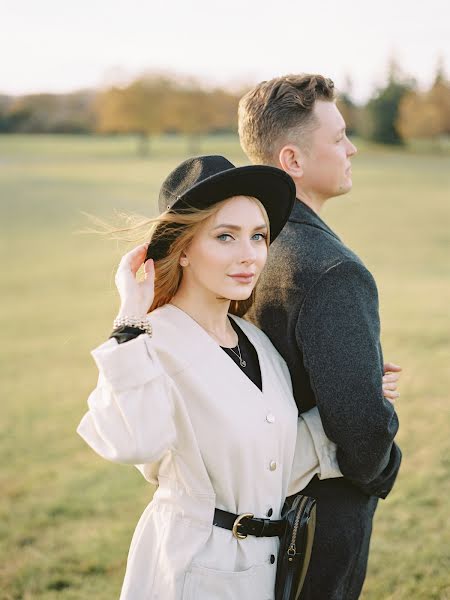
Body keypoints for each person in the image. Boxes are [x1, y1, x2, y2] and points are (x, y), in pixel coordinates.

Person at [77, 155, 347, 600]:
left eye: (258, 237)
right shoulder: (150, 339)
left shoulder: (255, 342)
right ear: (182, 249)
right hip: (192, 573)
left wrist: (353, 398)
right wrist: (129, 319)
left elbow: (269, 462)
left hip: (263, 570)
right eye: (225, 236)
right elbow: (134, 442)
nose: (249, 255)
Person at [238, 74, 403, 599]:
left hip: (256, 506)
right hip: (317, 520)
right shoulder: (332, 269)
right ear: (292, 160)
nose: (352, 148)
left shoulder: (248, 249)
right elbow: (361, 429)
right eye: (338, 138)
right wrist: (384, 466)